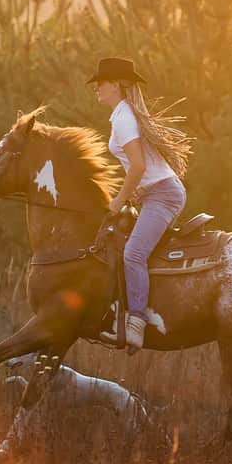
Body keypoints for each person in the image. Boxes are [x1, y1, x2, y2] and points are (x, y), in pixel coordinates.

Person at [87, 57, 193, 354]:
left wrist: (119, 200)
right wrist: (134, 193)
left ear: (116, 85)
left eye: (101, 82)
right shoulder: (122, 114)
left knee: (133, 254)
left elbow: (138, 166)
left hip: (163, 195)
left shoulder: (124, 118)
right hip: (155, 192)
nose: (96, 87)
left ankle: (136, 324)